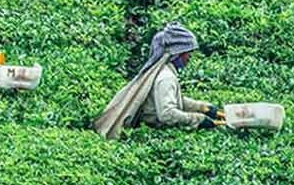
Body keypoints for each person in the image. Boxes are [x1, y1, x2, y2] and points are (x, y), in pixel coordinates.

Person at [94, 22, 225, 139]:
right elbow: (167, 114)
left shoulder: (163, 72)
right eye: (188, 52)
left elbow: (174, 99)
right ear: (177, 54)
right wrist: (198, 119)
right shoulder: (166, 78)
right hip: (155, 132)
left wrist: (202, 108)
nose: (190, 56)